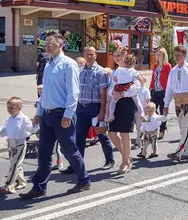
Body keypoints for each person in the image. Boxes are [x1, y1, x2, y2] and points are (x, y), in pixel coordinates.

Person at [20, 32, 90, 199]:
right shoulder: (48, 64)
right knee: (44, 152)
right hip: (47, 115)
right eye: (46, 42)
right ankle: (39, 187)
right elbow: (45, 92)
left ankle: (83, 179)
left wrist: (68, 115)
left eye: (50, 42)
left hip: (62, 114)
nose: (47, 45)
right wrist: (39, 113)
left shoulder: (69, 64)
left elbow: (74, 93)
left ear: (61, 45)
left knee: (69, 150)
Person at [63, 47, 114, 175]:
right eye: (87, 54)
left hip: (95, 108)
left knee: (101, 135)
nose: (89, 56)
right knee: (79, 138)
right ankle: (77, 165)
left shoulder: (100, 72)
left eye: (91, 54)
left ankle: (109, 160)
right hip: (81, 108)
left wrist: (102, 111)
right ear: (84, 55)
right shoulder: (79, 71)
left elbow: (103, 94)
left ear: (96, 55)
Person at [106, 49, 142, 174]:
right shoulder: (115, 72)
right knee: (111, 133)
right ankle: (127, 155)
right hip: (116, 103)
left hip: (127, 103)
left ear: (126, 56)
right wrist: (114, 93)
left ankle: (125, 162)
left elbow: (137, 86)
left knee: (124, 133)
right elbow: (110, 89)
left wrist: (122, 93)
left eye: (120, 55)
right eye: (115, 55)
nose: (117, 58)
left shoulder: (130, 71)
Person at [0, 97, 33, 194]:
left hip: (20, 143)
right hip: (10, 143)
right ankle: (21, 181)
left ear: (19, 108)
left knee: (15, 164)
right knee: (15, 164)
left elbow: (31, 129)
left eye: (12, 107)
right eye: (8, 107)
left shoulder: (24, 119)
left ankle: (9, 185)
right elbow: (5, 130)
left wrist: (35, 126)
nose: (9, 110)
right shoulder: (9, 119)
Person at [106, 54, 144, 123]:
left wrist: (121, 92)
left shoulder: (119, 69)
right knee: (137, 100)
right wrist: (141, 80)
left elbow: (114, 79)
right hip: (128, 86)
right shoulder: (132, 70)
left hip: (119, 87)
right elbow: (139, 77)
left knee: (113, 102)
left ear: (124, 61)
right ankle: (142, 113)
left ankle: (111, 115)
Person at [150, 47, 171, 140]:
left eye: (160, 54)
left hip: (164, 91)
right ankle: (156, 126)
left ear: (163, 55)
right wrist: (150, 87)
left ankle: (162, 128)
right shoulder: (155, 66)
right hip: (155, 90)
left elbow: (170, 79)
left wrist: (170, 91)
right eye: (157, 54)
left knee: (163, 110)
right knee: (152, 109)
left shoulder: (167, 66)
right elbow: (153, 78)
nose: (158, 56)